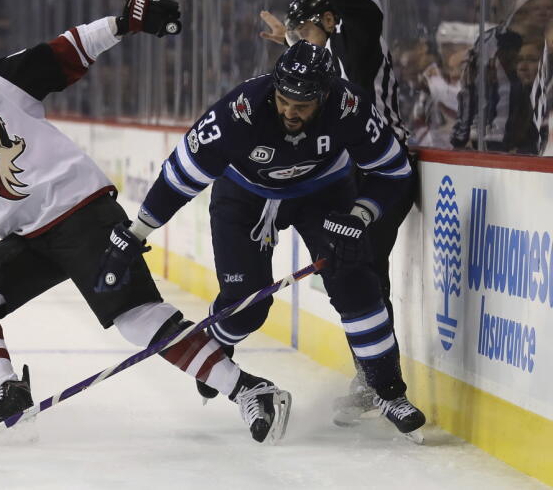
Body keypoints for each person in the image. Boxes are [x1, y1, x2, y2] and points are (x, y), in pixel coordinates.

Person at [0, 0, 292, 444]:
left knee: (136, 318)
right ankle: (7, 391)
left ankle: (250, 389)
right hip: (30, 238)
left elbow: (64, 51)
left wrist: (124, 23)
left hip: (82, 213)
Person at [96, 41, 426, 440]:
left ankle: (388, 390)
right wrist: (135, 235)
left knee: (355, 283)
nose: (290, 111)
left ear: (324, 95)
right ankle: (216, 350)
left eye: (302, 105)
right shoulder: (240, 112)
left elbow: (393, 171)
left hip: (323, 193)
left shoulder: (348, 106)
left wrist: (360, 216)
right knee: (246, 307)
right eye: (284, 99)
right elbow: (179, 177)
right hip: (244, 196)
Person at [257, 0, 417, 425]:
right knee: (351, 269)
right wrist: (287, 39)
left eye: (305, 32)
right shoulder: (325, 60)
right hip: (352, 173)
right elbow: (313, 71)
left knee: (361, 263)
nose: (300, 45)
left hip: (387, 170)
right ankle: (371, 375)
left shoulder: (358, 40)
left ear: (330, 19)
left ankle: (377, 380)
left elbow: (365, 10)